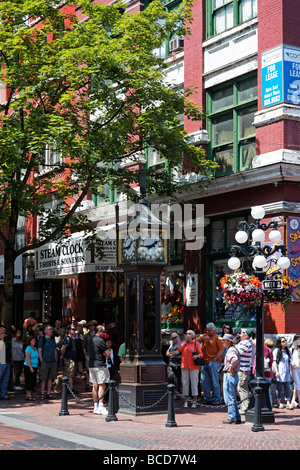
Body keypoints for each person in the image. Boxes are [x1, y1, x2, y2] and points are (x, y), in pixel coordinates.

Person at [197, 322, 224, 405]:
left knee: (215, 381)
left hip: (213, 361)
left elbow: (221, 350)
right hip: (204, 361)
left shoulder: (217, 337)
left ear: (213, 330)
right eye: (207, 330)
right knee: (204, 381)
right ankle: (207, 398)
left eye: (209, 330)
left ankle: (217, 399)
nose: (208, 331)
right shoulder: (204, 335)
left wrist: (215, 359)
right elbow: (195, 342)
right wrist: (203, 338)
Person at [177, 330, 203, 409]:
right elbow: (179, 349)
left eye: (189, 334)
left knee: (194, 383)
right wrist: (184, 341)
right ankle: (186, 401)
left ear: (193, 336)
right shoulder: (183, 343)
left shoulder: (196, 343)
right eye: (186, 333)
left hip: (194, 366)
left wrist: (197, 356)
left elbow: (201, 354)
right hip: (184, 365)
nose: (187, 335)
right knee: (185, 383)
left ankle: (194, 401)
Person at [89, 325, 111, 415]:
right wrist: (105, 354)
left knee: (94, 385)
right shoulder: (101, 341)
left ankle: (95, 407)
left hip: (91, 364)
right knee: (102, 385)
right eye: (103, 332)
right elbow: (108, 354)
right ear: (99, 331)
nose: (104, 334)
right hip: (100, 365)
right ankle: (101, 406)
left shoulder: (91, 339)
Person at [222, 334, 242, 424]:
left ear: (228, 341)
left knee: (229, 397)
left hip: (230, 375)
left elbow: (235, 359)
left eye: (224, 340)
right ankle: (236, 417)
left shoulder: (231, 350)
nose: (222, 342)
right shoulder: (232, 349)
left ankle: (232, 417)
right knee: (232, 397)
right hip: (233, 375)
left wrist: (230, 368)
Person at [252, 337, 274, 407]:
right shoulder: (269, 350)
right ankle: (268, 406)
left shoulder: (264, 348)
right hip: (268, 373)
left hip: (262, 373)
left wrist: (262, 337)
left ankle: (262, 407)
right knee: (267, 392)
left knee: (261, 392)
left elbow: (254, 342)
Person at [236, 328, 253, 415]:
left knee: (242, 388)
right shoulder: (242, 343)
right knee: (241, 387)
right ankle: (243, 404)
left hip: (243, 369)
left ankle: (244, 407)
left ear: (246, 335)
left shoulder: (246, 343)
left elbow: (237, 352)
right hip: (241, 368)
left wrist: (232, 346)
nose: (240, 334)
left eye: (242, 333)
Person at [38, 324, 57, 400]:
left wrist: (55, 359)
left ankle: (49, 392)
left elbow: (55, 350)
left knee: (50, 378)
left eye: (51, 329)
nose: (51, 330)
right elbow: (40, 350)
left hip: (52, 361)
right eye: (49, 329)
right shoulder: (42, 339)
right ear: (45, 331)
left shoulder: (52, 339)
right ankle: (42, 393)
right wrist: (42, 360)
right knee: (43, 378)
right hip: (45, 361)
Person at [273, 336, 293, 409]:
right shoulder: (276, 350)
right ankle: (279, 402)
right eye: (283, 341)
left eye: (285, 340)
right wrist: (276, 371)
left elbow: (291, 359)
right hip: (280, 371)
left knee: (287, 386)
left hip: (286, 371)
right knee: (279, 387)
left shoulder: (288, 350)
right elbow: (274, 361)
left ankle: (288, 402)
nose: (285, 342)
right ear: (280, 343)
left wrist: (292, 363)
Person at [61, 325, 77, 391]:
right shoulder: (67, 338)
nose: (74, 331)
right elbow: (63, 348)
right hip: (69, 358)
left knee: (71, 374)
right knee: (70, 374)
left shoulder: (73, 339)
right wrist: (62, 356)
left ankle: (69, 387)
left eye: (74, 329)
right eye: (72, 329)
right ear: (69, 330)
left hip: (73, 358)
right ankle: (71, 388)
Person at [24, 336, 39, 401]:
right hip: (29, 366)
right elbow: (28, 358)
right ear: (29, 341)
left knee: (33, 380)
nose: (34, 342)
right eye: (32, 340)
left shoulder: (35, 348)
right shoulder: (28, 348)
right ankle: (29, 395)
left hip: (35, 366)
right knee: (29, 380)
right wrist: (30, 367)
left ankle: (28, 394)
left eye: (34, 340)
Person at [83, 320, 97, 391]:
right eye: (90, 326)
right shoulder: (86, 336)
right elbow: (84, 347)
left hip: (96, 354)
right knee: (88, 370)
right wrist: (85, 355)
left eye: (92, 325)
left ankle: (95, 383)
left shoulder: (96, 334)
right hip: (89, 354)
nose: (91, 327)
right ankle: (87, 384)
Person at [0, 325, 11, 400]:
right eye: (1, 328)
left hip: (7, 360)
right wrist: (1, 339)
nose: (3, 330)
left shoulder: (7, 338)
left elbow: (10, 349)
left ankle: (3, 394)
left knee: (5, 379)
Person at [291, 337, 300, 408]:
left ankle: (293, 400)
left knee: (296, 385)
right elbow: (289, 357)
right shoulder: (292, 349)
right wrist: (291, 363)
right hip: (294, 368)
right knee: (298, 384)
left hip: (299, 367)